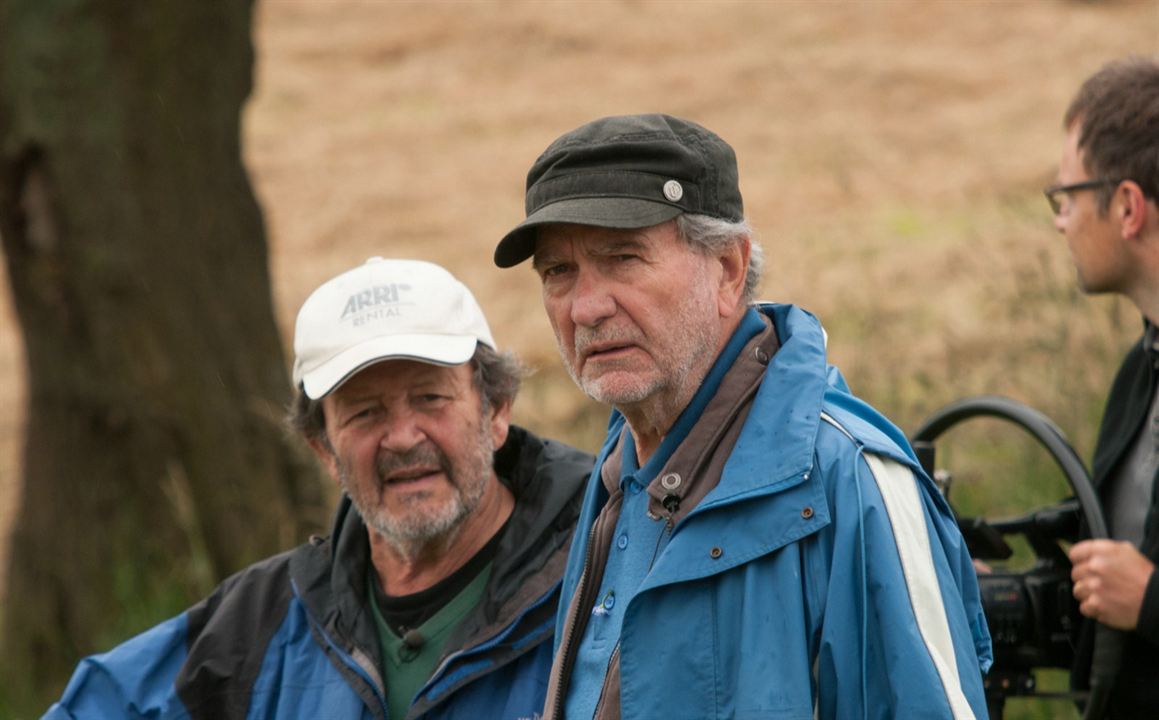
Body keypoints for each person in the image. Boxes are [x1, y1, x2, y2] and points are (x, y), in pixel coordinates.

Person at [494, 114, 992, 719]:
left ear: (728, 269)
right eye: (558, 272)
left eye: (623, 257)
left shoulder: (851, 482)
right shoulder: (620, 467)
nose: (586, 307)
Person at [45, 257, 594, 719]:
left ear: (496, 411)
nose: (402, 438)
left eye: (431, 398)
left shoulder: (601, 578)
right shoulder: (257, 626)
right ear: (324, 450)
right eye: (365, 413)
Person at [1051, 56, 1159, 717]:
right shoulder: (1136, 372)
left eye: (1065, 196)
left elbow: (1138, 590)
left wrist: (1148, 600)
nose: (1060, 219)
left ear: (1125, 206)